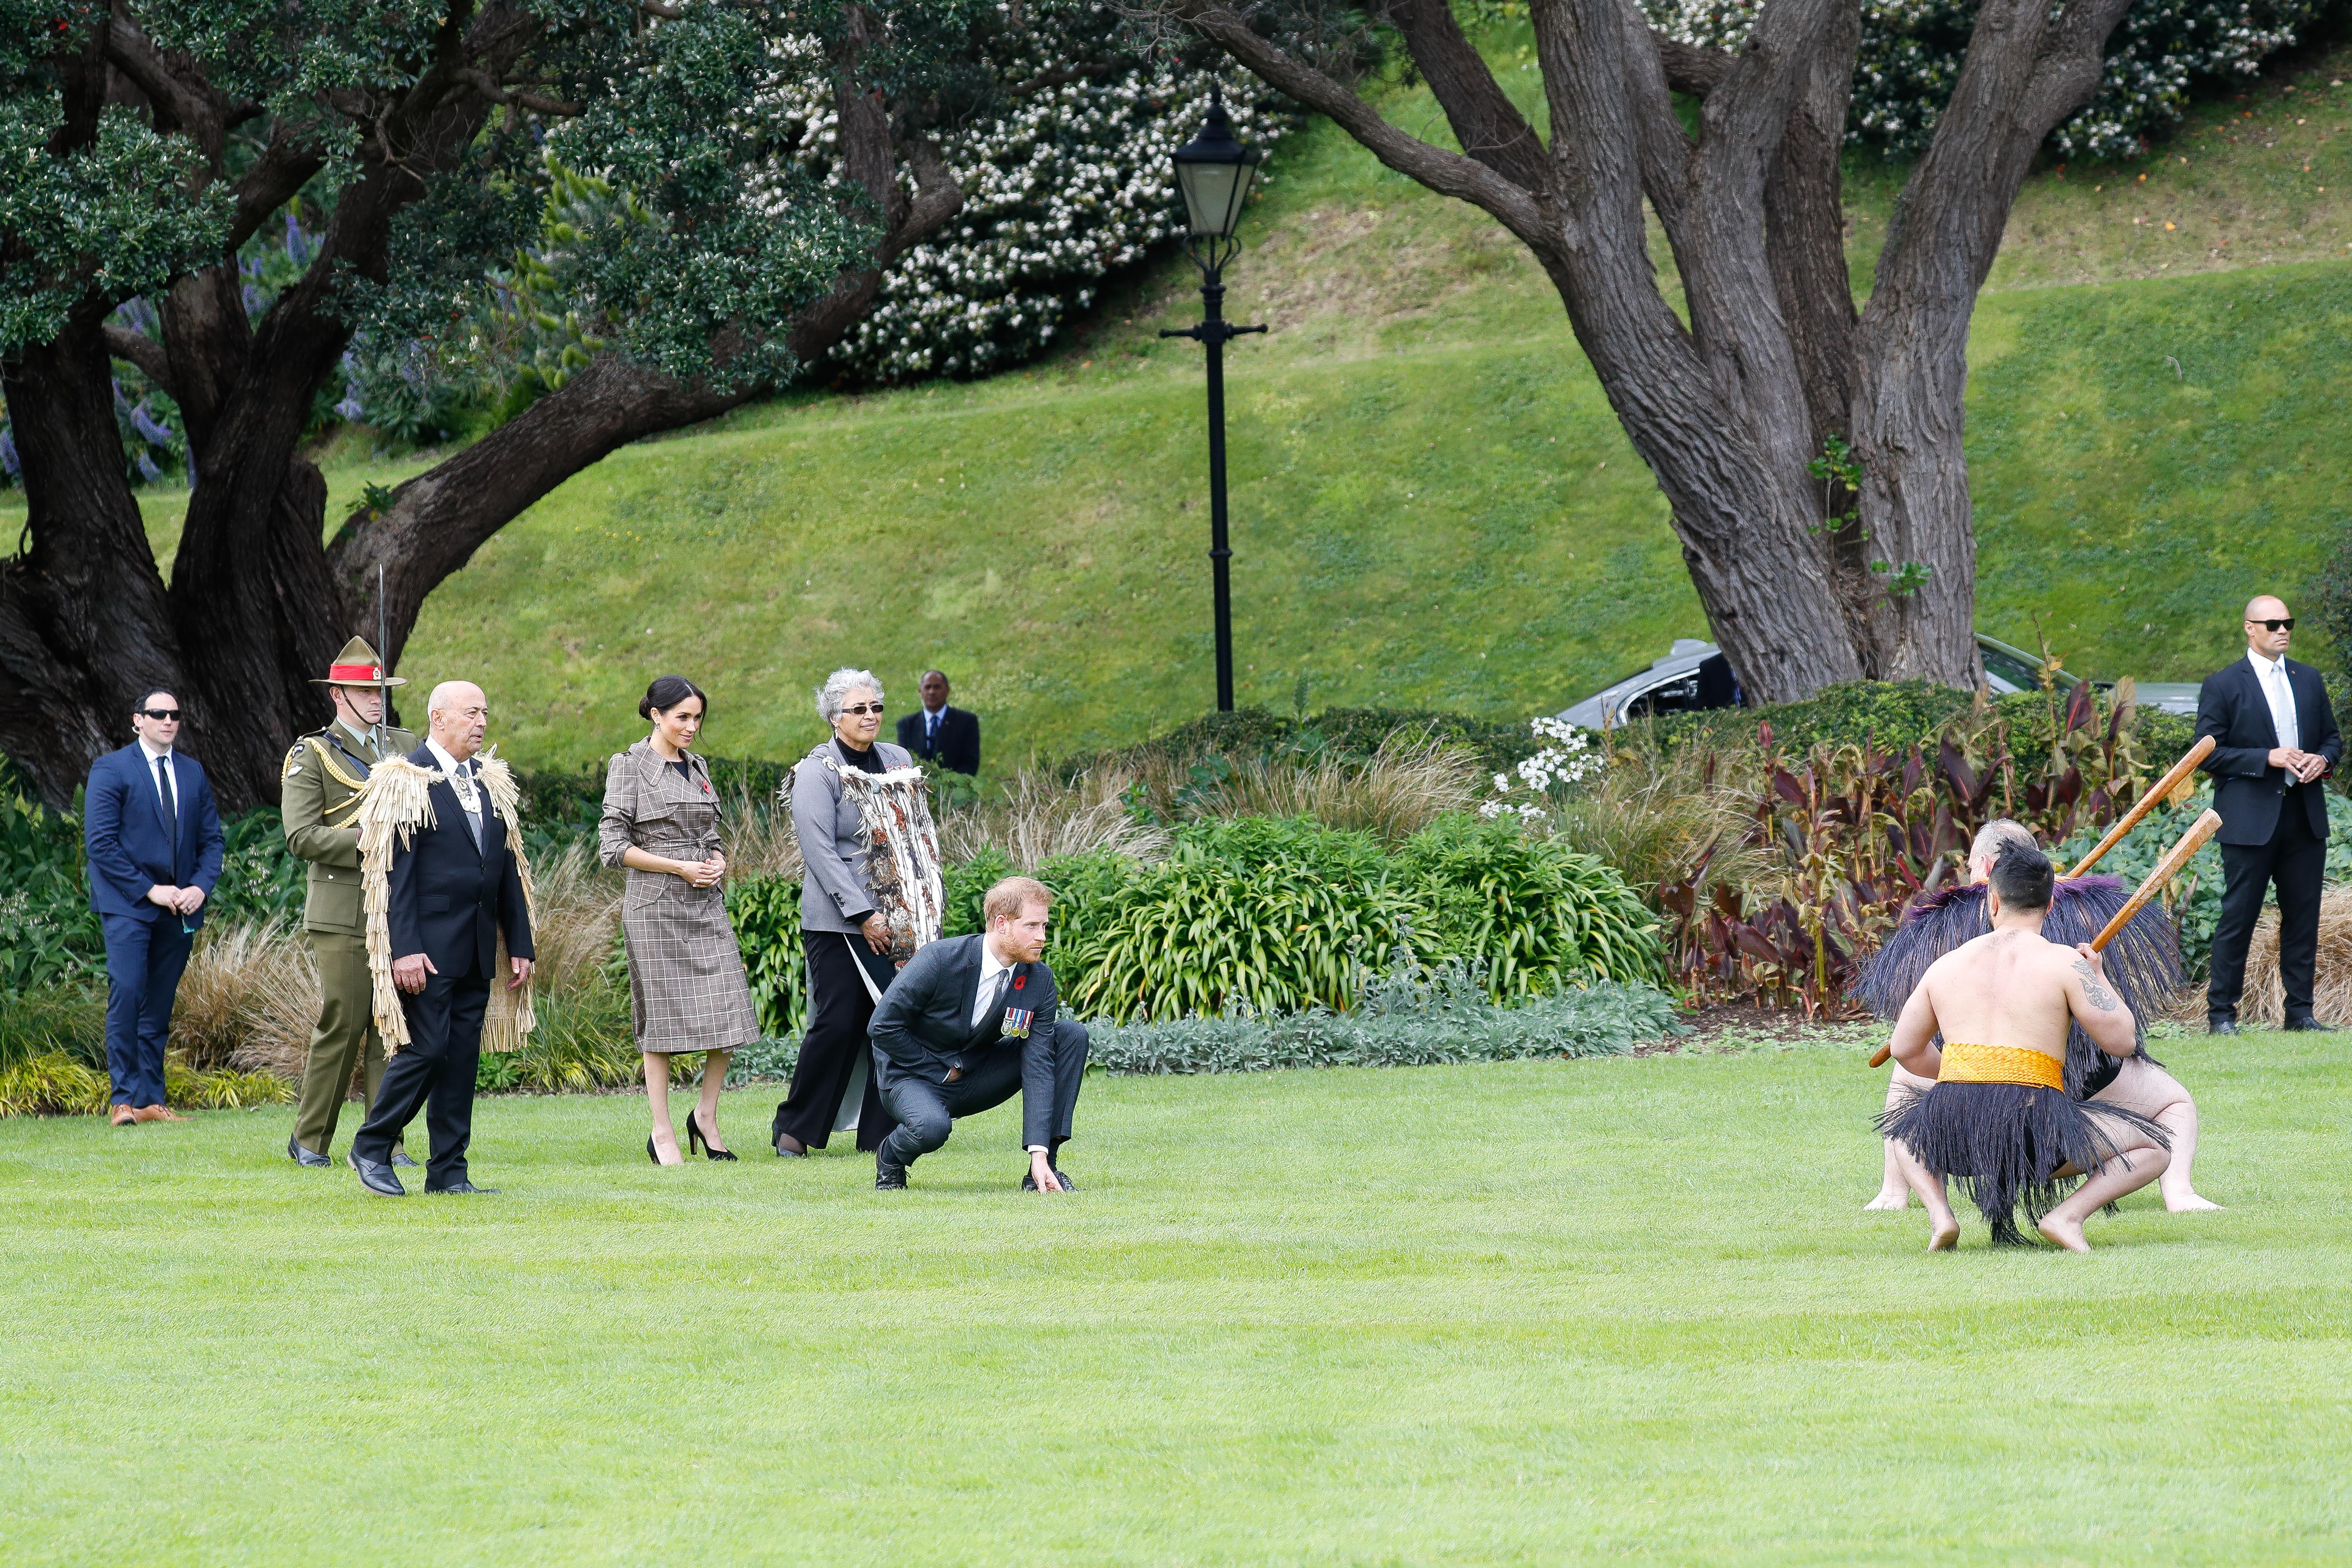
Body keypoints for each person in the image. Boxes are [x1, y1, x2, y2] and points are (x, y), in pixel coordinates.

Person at [1865, 818, 2218, 1212]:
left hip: (1964, 1112)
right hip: (2067, 1094)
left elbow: (1906, 1045)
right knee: (2173, 1104)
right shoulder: (2085, 914)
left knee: (1905, 1090)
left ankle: (1899, 1194)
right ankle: (2178, 1192)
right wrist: (2097, 975)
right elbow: (2122, 1040)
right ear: (2049, 900)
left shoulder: (1947, 935)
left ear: (1986, 875)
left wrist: (1964, 1068)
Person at [346, 681, 534, 1197]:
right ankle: (372, 1144)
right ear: (438, 718)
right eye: (471, 713)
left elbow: (505, 870)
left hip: (475, 947)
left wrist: (520, 942)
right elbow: (394, 874)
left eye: (486, 713)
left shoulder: (488, 780)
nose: (481, 722)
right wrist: (403, 947)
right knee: (427, 1049)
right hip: (425, 947)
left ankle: (449, 1172)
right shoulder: (407, 779)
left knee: (460, 1059)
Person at [600, 675, 757, 1164]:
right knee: (663, 1022)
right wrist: (678, 866)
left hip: (705, 903)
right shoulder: (628, 766)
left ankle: (705, 1117)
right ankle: (662, 1131)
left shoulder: (698, 766)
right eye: (682, 717)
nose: (692, 727)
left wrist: (716, 859)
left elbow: (710, 831)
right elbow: (612, 848)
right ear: (656, 715)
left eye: (697, 718)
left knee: (731, 1008)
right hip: (655, 909)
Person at [280, 638, 418, 1168]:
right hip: (345, 910)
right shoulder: (311, 753)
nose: (377, 698)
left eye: (380, 689)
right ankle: (311, 1139)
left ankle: (385, 1141)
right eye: (365, 690)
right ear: (338, 694)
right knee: (344, 1019)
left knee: (393, 1025)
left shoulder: (402, 745)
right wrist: (368, 837)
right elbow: (302, 836)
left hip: (400, 904)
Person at [772, 668, 918, 1157]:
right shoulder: (817, 771)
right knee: (837, 1024)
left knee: (892, 1020)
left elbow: (914, 836)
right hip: (837, 923)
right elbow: (819, 852)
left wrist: (917, 904)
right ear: (835, 717)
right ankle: (794, 1129)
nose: (871, 716)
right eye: (859, 709)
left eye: (876, 706)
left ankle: (879, 1134)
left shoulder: (898, 760)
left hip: (897, 918)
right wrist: (862, 914)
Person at [868, 875, 1089, 1192]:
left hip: (974, 1074)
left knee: (1070, 1036)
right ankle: (891, 1157)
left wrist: (1038, 1152)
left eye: (1044, 926)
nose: (1042, 936)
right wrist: (941, 1070)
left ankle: (1043, 1172)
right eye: (1032, 926)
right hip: (911, 1075)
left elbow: (1039, 1063)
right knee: (931, 1127)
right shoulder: (939, 959)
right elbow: (882, 1026)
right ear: (1002, 924)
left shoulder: (1039, 980)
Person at [2198, 594, 2341, 1034]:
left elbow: (2333, 739)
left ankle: (2300, 1013)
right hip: (2248, 821)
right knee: (2237, 916)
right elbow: (2208, 752)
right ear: (2249, 628)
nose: (2283, 630)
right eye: (2273, 623)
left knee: (2303, 917)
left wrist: (2323, 760)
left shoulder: (2308, 679)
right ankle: (2221, 1015)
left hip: (2304, 815)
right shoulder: (2223, 684)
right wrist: (2267, 758)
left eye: (2288, 623)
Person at [84, 688, 224, 1126]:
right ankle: (122, 1100)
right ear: (137, 720)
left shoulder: (192, 772)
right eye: (158, 714)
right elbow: (101, 845)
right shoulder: (111, 769)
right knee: (127, 991)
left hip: (179, 906)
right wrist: (151, 890)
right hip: (129, 903)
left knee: (159, 1002)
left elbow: (212, 841)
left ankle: (149, 1099)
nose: (168, 721)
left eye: (175, 714)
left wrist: (200, 887)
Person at [895, 668, 980, 775]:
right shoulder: (907, 725)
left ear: (947, 691)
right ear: (920, 692)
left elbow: (970, 763)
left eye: (937, 687)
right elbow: (904, 762)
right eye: (928, 687)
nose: (932, 692)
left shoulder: (966, 722)